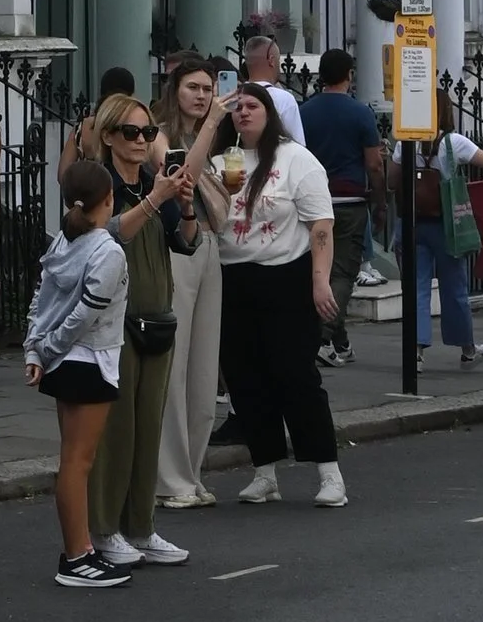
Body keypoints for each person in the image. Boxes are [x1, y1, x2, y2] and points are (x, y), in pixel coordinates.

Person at [86, 76, 222, 569]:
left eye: (146, 132)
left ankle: (141, 527)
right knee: (116, 433)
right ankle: (104, 530)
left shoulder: (152, 183)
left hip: (156, 318)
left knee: (148, 430)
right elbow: (108, 233)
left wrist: (183, 208)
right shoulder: (95, 183)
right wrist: (155, 199)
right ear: (108, 136)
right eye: (130, 132)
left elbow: (183, 242)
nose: (141, 140)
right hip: (112, 324)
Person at [214, 77, 348, 507]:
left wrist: (320, 279)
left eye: (253, 105)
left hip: (285, 277)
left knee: (295, 375)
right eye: (237, 106)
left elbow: (321, 226)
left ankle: (329, 473)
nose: (244, 112)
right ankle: (264, 471)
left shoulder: (296, 160)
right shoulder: (221, 161)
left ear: (270, 113)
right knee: (246, 379)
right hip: (233, 279)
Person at [24, 154, 131, 591]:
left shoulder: (62, 243)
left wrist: (35, 349)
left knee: (72, 460)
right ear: (107, 200)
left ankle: (81, 551)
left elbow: (41, 299)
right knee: (77, 462)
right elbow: (84, 315)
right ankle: (77, 557)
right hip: (89, 361)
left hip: (64, 362)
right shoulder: (108, 251)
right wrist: (45, 348)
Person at [153, 61, 230, 508]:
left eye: (208, 88)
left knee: (204, 366)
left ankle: (192, 472)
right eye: (193, 88)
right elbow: (184, 176)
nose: (202, 96)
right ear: (174, 90)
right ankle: (170, 478)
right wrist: (214, 123)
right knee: (176, 364)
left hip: (208, 243)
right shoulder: (158, 133)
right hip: (175, 248)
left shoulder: (211, 132)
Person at [299, 44, 387, 364]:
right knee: (342, 273)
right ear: (349, 76)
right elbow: (374, 165)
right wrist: (379, 200)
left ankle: (341, 341)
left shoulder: (304, 111)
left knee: (318, 269)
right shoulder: (360, 112)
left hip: (312, 200)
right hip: (349, 201)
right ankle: (322, 338)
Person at [413, 89, 483, 366]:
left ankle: (416, 352)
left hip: (415, 222)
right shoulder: (454, 143)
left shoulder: (407, 142)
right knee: (454, 288)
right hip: (448, 225)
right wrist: (471, 188)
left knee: (417, 287)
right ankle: (467, 349)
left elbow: (394, 178)